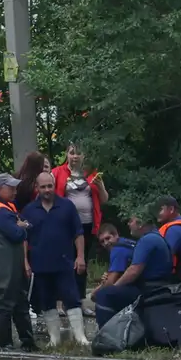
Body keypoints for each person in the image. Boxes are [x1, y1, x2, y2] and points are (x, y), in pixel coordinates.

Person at [25, 172, 89, 346]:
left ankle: (80, 337)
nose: (47, 190)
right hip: (40, 265)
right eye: (43, 186)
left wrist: (81, 256)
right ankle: (54, 339)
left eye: (50, 186)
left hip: (65, 262)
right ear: (37, 188)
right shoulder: (29, 210)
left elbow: (78, 233)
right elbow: (24, 238)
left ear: (54, 186)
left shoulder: (67, 206)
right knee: (47, 301)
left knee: (72, 298)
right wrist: (25, 262)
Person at [0, 174, 36, 351]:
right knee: (4, 303)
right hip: (3, 265)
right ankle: (4, 344)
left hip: (13, 263)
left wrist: (22, 226)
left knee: (20, 302)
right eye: (11, 188)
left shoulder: (7, 206)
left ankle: (27, 342)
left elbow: (24, 227)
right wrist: (22, 226)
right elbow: (17, 233)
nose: (15, 191)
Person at [50, 143, 108, 302]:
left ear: (84, 156)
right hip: (65, 225)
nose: (75, 156)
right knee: (65, 262)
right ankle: (62, 302)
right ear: (66, 155)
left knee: (82, 264)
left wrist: (100, 186)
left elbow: (104, 200)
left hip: (88, 224)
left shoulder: (91, 174)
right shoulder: (57, 172)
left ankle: (80, 301)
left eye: (78, 153)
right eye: (71, 153)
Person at [93, 218, 177, 327]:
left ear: (141, 223)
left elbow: (132, 272)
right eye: (102, 241)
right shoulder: (142, 240)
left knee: (103, 295)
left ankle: (106, 335)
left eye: (130, 221)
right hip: (160, 285)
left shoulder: (138, 243)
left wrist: (110, 288)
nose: (106, 243)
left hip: (148, 288)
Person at [92, 223, 136, 294]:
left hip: (140, 287)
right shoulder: (126, 242)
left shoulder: (118, 250)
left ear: (116, 235)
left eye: (107, 238)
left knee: (100, 295)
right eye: (102, 241)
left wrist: (94, 292)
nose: (106, 243)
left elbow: (110, 283)